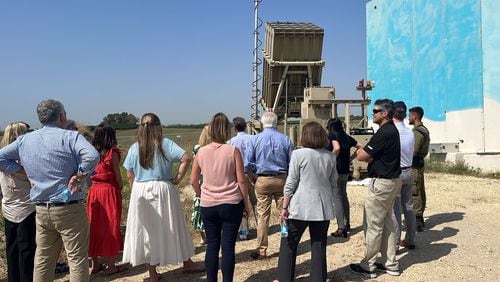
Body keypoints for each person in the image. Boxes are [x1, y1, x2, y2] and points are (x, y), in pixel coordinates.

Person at [0, 99, 100, 281]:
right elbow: (93, 156)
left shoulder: (24, 140)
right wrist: (79, 175)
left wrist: (20, 170)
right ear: (61, 116)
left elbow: (0, 157)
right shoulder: (71, 137)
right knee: (77, 259)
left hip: (41, 209)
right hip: (69, 207)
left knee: (43, 259)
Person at [122, 113, 203, 282]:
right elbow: (185, 158)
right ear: (158, 126)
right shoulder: (165, 144)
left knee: (147, 232)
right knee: (173, 225)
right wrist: (178, 178)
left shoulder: (134, 147)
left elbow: (129, 172)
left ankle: (153, 274)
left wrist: (135, 189)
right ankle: (187, 263)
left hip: (141, 190)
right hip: (163, 188)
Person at [190, 112, 251, 282]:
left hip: (209, 204)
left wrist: (201, 195)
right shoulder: (233, 150)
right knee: (228, 247)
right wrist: (246, 203)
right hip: (231, 203)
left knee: (212, 247)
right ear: (226, 130)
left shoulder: (201, 152)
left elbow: (193, 180)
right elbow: (241, 180)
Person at [276, 121, 337, 282]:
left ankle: (285, 278)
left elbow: (291, 183)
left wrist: (284, 207)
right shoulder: (330, 156)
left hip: (300, 206)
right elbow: (333, 183)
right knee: (318, 246)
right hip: (322, 207)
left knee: (288, 244)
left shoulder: (298, 154)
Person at [349, 99, 402, 278]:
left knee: (373, 226)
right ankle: (391, 264)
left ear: (385, 113)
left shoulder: (384, 132)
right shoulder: (392, 131)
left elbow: (363, 156)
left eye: (376, 111)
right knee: (387, 224)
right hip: (392, 181)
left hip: (381, 183)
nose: (373, 114)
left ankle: (368, 265)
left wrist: (367, 155)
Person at [245, 111, 294, 260]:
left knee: (263, 216)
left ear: (262, 123)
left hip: (262, 180)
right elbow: (292, 163)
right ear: (276, 122)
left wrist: (253, 178)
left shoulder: (255, 140)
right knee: (284, 214)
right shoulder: (286, 139)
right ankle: (287, 246)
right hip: (282, 179)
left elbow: (247, 164)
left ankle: (262, 249)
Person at [87, 125, 127, 274]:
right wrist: (120, 185)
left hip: (94, 191)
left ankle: (94, 264)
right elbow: (117, 174)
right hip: (109, 190)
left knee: (94, 226)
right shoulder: (112, 152)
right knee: (110, 225)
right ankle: (111, 265)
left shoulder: (91, 153)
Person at [0, 122, 36, 282]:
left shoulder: (4, 159)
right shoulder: (24, 160)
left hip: (8, 208)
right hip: (27, 208)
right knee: (27, 251)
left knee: (12, 250)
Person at [326, 118, 363, 237]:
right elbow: (361, 146)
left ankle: (341, 227)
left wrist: (331, 159)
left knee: (336, 198)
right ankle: (347, 223)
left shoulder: (332, 136)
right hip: (345, 170)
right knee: (343, 196)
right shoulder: (346, 137)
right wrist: (351, 158)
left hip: (335, 170)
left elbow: (336, 148)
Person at [392, 102, 416, 249]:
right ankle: (411, 239)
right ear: (405, 114)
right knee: (408, 207)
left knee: (395, 209)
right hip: (408, 170)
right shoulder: (410, 132)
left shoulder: (392, 132)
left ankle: (394, 243)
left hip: (396, 172)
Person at [228, 116, 257, 231]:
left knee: (241, 203)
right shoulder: (253, 139)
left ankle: (244, 230)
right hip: (252, 174)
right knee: (255, 202)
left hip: (238, 176)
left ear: (234, 128)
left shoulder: (230, 142)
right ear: (245, 126)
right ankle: (261, 227)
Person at [409, 106, 430, 232]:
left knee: (414, 191)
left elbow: (412, 151)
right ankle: (419, 216)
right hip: (419, 164)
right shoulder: (423, 129)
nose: (408, 117)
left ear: (415, 116)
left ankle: (417, 220)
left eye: (410, 115)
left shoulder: (417, 132)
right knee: (419, 190)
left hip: (415, 165)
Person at [191, 125, 210, 245]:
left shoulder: (197, 148)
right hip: (209, 179)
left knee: (199, 208)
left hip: (200, 179)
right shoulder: (214, 148)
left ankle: (203, 236)